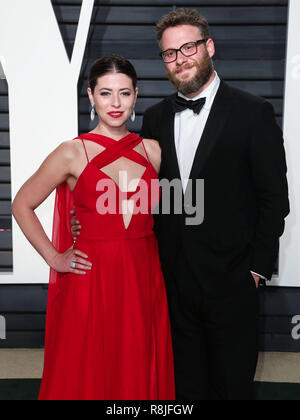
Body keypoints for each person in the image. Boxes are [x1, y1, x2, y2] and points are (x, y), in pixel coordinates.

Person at [71, 10, 290, 400]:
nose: (180, 59)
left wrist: (257, 268)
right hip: (170, 280)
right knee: (182, 385)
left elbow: (274, 200)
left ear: (208, 47)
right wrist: (84, 219)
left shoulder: (253, 112)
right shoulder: (154, 118)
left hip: (233, 279)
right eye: (170, 53)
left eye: (188, 47)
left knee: (231, 384)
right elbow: (145, 194)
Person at [11, 54, 175, 400]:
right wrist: (55, 258)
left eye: (124, 93)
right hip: (92, 278)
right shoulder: (72, 152)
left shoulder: (154, 151)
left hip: (142, 276)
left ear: (136, 95)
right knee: (88, 368)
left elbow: (175, 211)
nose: (115, 104)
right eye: (105, 93)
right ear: (90, 95)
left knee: (136, 363)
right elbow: (22, 204)